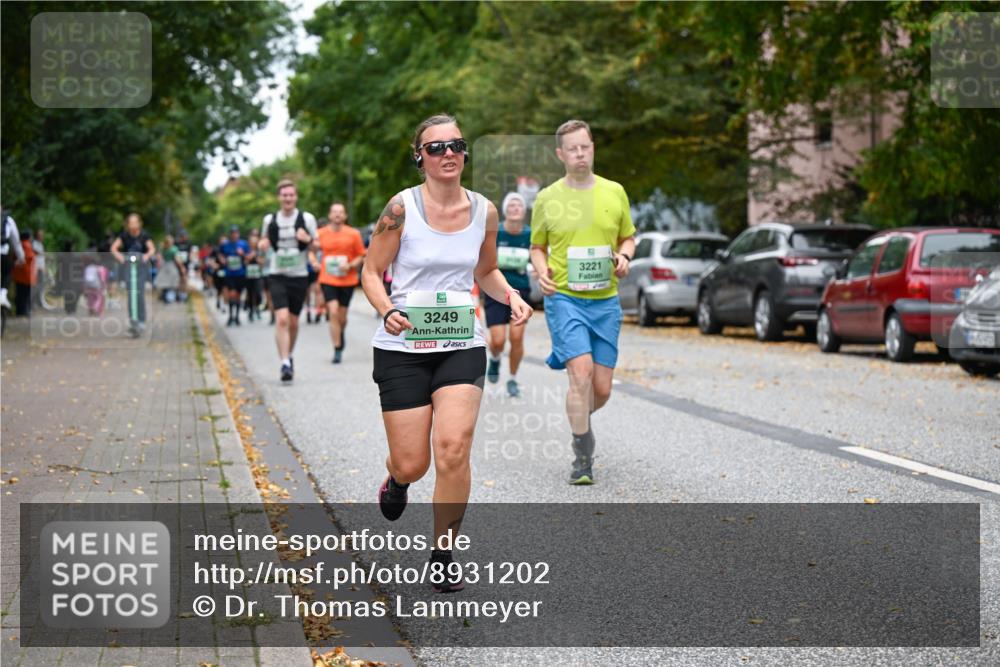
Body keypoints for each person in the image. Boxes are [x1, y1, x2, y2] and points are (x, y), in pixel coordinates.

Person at [361, 114, 532, 592]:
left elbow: (486, 270)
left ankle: (443, 554)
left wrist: (511, 296)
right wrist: (386, 308)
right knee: (413, 463)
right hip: (403, 346)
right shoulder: (401, 209)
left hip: (461, 342)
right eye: (435, 147)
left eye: (456, 144)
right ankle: (397, 481)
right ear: (420, 157)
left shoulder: (485, 211)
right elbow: (371, 271)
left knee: (454, 449)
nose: (448, 153)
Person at [529, 119, 636, 485]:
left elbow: (628, 238)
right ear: (561, 154)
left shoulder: (615, 192)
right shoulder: (547, 198)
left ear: (593, 148)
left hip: (605, 302)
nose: (580, 154)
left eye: (585, 147)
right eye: (572, 149)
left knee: (601, 388)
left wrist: (625, 257)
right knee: (581, 373)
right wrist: (541, 271)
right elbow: (537, 247)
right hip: (565, 299)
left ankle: (580, 417)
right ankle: (582, 453)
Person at [257, 180, 318, 382]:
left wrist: (307, 240)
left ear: (296, 197)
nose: (288, 198)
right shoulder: (270, 220)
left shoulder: (307, 219)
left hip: (299, 276)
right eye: (284, 195)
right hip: (277, 274)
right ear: (279, 197)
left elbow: (317, 246)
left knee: (293, 321)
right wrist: (262, 245)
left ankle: (288, 354)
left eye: (291, 195)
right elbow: (263, 242)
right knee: (282, 319)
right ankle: (284, 363)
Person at [484, 192, 533, 397]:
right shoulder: (496, 232)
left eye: (518, 205)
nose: (515, 208)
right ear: (505, 210)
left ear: (523, 211)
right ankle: (495, 359)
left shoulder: (530, 234)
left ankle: (512, 379)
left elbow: (538, 256)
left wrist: (540, 269)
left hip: (521, 291)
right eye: (511, 205)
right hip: (496, 291)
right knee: (497, 341)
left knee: (516, 337)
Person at [317, 202, 366, 363]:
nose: (337, 214)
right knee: (333, 311)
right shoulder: (320, 233)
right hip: (327, 278)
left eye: (340, 212)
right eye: (334, 212)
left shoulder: (353, 234)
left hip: (347, 280)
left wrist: (350, 265)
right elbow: (312, 251)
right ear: (330, 215)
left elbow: (361, 255)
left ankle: (340, 332)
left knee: (342, 317)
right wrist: (313, 262)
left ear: (345, 216)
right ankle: (337, 348)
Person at [110, 212, 156, 337]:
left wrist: (146, 256)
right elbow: (113, 248)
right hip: (129, 267)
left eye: (135, 222)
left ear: (139, 223)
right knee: (131, 294)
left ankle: (141, 320)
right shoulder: (124, 235)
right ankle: (133, 321)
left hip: (141, 267)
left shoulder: (144, 235)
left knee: (139, 293)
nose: (133, 225)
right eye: (131, 223)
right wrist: (121, 258)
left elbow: (152, 248)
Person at [220, 225, 249, 326]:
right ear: (230, 234)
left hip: (240, 273)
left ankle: (236, 317)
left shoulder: (243, 244)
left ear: (238, 234)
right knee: (231, 294)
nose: (234, 235)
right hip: (229, 273)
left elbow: (249, 256)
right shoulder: (225, 244)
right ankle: (230, 316)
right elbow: (220, 254)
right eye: (232, 233)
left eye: (236, 233)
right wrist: (223, 260)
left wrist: (242, 254)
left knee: (238, 295)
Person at [0, 208, 25, 313]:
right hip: (2, 254)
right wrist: (21, 258)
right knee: (7, 271)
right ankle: (2, 295)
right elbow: (16, 242)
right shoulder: (8, 220)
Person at [12, 230, 36, 316]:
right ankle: (24, 311)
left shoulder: (19, 245)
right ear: (28, 237)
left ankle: (20, 311)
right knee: (25, 294)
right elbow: (29, 258)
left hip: (18, 273)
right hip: (26, 274)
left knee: (19, 293)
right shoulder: (27, 245)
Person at [155, 235, 183, 303]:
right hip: (171, 265)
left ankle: (165, 295)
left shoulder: (163, 248)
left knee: (164, 281)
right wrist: (182, 267)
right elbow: (177, 259)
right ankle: (172, 296)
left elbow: (159, 257)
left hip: (164, 265)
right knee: (173, 281)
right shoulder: (174, 249)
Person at [244, 229, 264, 322]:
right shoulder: (247, 250)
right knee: (250, 293)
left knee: (258, 293)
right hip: (248, 275)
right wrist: (249, 256)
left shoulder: (260, 251)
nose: (253, 244)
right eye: (252, 242)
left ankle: (257, 308)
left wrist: (256, 257)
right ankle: (251, 310)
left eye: (255, 242)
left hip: (258, 275)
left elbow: (262, 262)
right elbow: (245, 262)